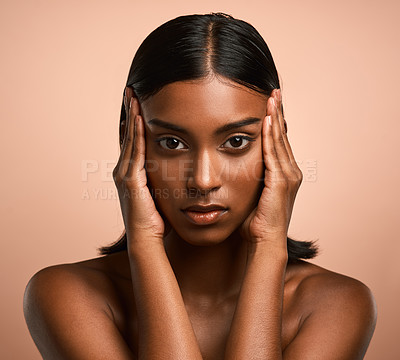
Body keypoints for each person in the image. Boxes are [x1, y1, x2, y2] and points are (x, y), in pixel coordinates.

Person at [23, 12, 377, 359]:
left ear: (277, 140)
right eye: (172, 143)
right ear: (130, 140)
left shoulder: (336, 303)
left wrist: (270, 245)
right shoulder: (67, 295)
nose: (203, 181)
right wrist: (144, 243)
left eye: (236, 142)